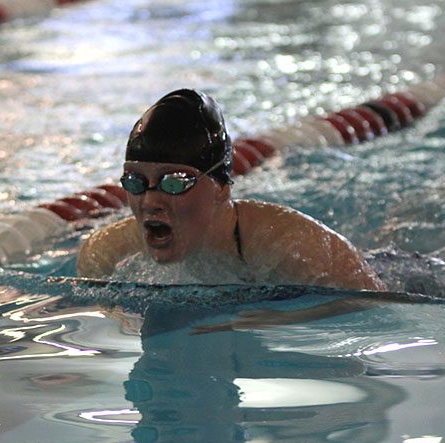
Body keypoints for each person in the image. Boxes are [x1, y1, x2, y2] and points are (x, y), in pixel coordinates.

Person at [76, 89, 385, 292]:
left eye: (175, 182)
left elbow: (370, 305)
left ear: (221, 188)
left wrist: (251, 320)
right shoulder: (105, 254)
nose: (150, 201)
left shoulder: (293, 245)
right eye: (135, 182)